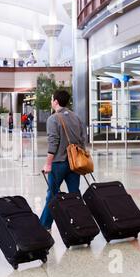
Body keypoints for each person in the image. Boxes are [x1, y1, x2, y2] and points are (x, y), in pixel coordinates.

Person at [40, 90, 87, 232]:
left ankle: (44, 225)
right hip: (75, 163)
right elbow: (82, 140)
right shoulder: (76, 117)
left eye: (51, 99)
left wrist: (48, 163)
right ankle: (81, 223)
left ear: (55, 101)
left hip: (58, 163)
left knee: (53, 195)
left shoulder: (53, 119)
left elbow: (53, 143)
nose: (51, 101)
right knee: (74, 194)